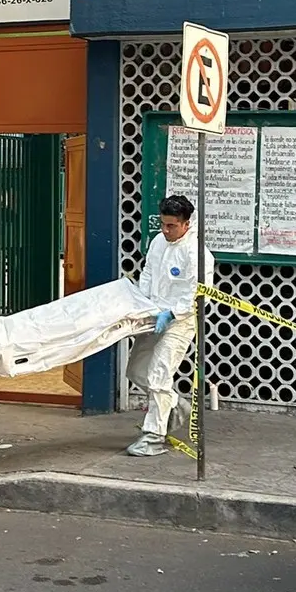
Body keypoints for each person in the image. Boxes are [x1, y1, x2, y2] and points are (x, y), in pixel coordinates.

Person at [124, 194, 214, 458]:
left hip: (180, 322)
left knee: (158, 375)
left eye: (171, 226)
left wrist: (172, 313)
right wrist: (144, 305)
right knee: (136, 370)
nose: (165, 230)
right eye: (163, 224)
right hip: (153, 315)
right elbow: (148, 274)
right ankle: (175, 405)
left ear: (186, 224)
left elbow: (199, 294)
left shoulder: (197, 254)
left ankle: (154, 437)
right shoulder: (158, 242)